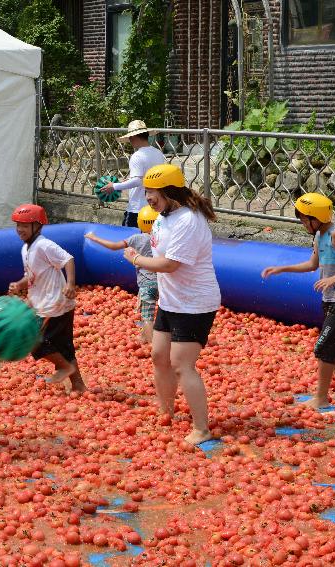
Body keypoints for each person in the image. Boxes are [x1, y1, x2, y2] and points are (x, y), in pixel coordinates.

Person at [121, 164, 220, 445]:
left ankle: (201, 428)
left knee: (181, 364)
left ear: (170, 192)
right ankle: (166, 412)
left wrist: (136, 260)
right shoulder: (163, 217)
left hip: (195, 303)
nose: (148, 197)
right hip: (172, 300)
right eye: (147, 191)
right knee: (159, 356)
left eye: (153, 192)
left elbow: (170, 264)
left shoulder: (189, 221)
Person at [261, 193, 335, 409]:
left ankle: (320, 398)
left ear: (314, 217)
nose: (301, 223)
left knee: (324, 347)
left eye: (303, 219)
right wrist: (282, 268)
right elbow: (312, 265)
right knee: (334, 347)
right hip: (330, 299)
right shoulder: (319, 236)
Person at [8, 204, 86, 392]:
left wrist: (70, 284)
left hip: (54, 304)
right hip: (44, 304)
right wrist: (20, 284)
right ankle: (78, 385)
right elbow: (33, 275)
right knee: (63, 346)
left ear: (38, 226)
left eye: (25, 225)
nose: (20, 229)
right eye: (18, 225)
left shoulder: (44, 245)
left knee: (32, 341)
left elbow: (68, 259)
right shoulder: (25, 249)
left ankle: (66, 367)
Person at [85, 205, 160, 344]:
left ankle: (152, 345)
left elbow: (113, 246)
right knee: (160, 313)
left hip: (146, 284)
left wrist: (94, 238)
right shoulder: (161, 240)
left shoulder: (136, 238)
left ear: (140, 222)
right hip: (162, 283)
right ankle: (145, 337)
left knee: (147, 317)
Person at [99, 120, 166, 228]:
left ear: (133, 137)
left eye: (130, 138)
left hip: (137, 208)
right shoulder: (157, 153)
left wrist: (114, 186)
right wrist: (128, 180)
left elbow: (137, 181)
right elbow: (148, 177)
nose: (129, 141)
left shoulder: (137, 156)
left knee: (128, 240)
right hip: (155, 206)